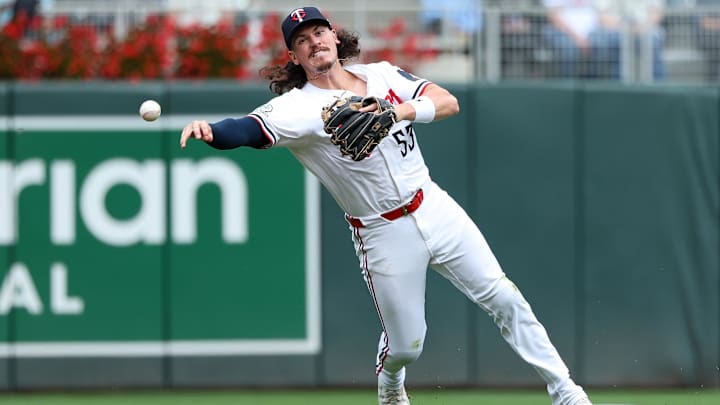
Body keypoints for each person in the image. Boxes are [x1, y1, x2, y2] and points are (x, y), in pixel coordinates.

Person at [179, 6, 594, 405]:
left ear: (335, 36)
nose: (314, 42)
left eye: (319, 32)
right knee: (407, 345)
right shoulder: (296, 108)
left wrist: (397, 111)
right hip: (381, 232)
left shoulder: (381, 75)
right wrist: (211, 131)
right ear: (295, 56)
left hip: (433, 205)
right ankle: (391, 380)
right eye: (302, 40)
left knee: (505, 298)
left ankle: (566, 392)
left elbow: (448, 102)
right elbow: (249, 129)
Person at [593, 0, 666, 80]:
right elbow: (602, 15)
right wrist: (626, 28)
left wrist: (641, 27)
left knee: (653, 40)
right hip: (617, 30)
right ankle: (617, 85)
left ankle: (658, 85)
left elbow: (656, 14)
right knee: (613, 41)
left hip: (646, 29)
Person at [694, 0, 720, 81]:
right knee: (714, 44)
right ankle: (711, 84)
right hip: (708, 38)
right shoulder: (702, 1)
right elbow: (704, 21)